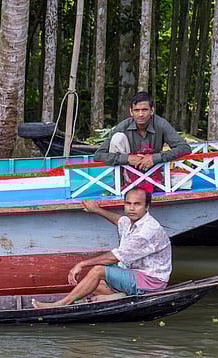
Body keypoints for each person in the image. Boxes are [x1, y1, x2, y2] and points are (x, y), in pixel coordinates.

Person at [32, 188, 172, 309]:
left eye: (137, 204)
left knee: (98, 271)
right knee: (92, 285)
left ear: (147, 207)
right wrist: (96, 210)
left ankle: (61, 304)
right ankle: (121, 296)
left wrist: (82, 264)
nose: (131, 208)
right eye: (128, 203)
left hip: (150, 282)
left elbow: (115, 257)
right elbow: (119, 220)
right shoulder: (131, 221)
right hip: (134, 274)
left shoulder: (147, 230)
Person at [94, 91, 191, 186]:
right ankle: (120, 185)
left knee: (185, 181)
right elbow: (98, 155)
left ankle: (153, 183)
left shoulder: (161, 124)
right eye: (136, 110)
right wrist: (127, 158)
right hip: (128, 175)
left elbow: (185, 148)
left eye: (144, 110)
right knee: (117, 137)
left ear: (151, 111)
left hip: (153, 173)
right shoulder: (123, 126)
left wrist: (155, 158)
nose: (140, 114)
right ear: (131, 112)